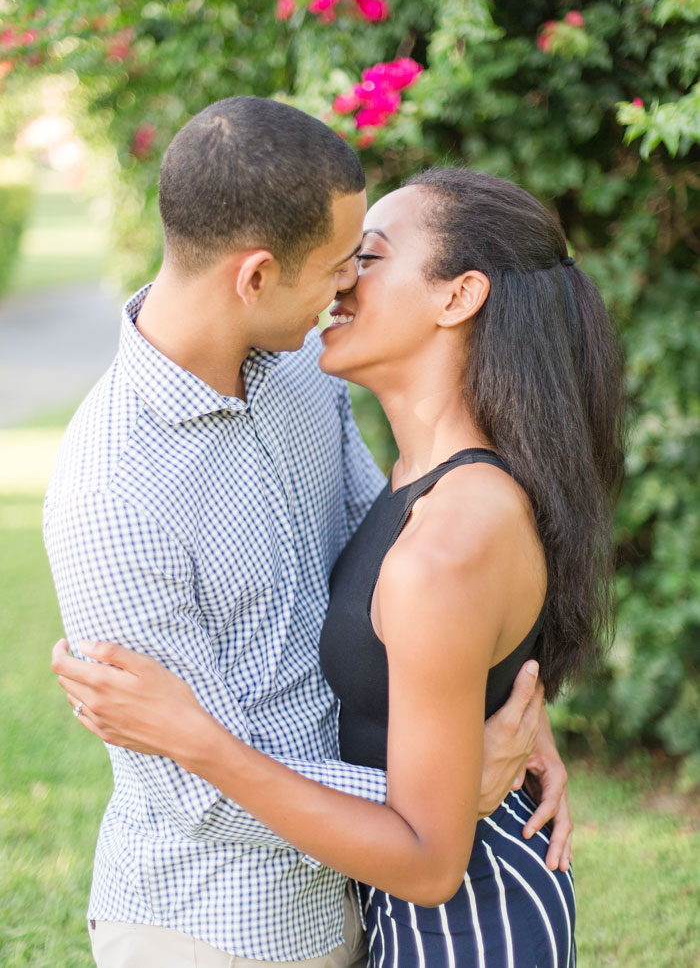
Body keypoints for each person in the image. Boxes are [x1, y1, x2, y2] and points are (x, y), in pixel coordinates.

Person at [47, 100, 572, 968]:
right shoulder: (112, 490)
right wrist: (448, 791)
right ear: (255, 277)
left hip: (362, 897)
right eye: (339, 266)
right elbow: (195, 793)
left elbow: (387, 564)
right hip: (215, 927)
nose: (348, 289)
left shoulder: (300, 373)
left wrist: (503, 700)